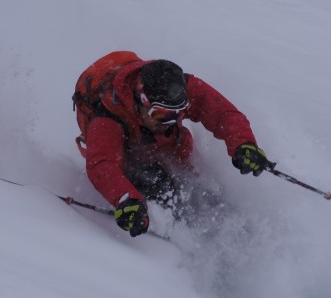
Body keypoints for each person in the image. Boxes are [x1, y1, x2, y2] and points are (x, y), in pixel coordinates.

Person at [82, 56, 270, 237]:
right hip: (133, 162)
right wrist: (127, 199)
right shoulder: (108, 118)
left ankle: (238, 232)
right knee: (162, 186)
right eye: (161, 115)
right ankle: (180, 232)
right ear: (141, 102)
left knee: (205, 192)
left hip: (174, 151)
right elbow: (102, 164)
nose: (170, 122)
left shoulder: (180, 88)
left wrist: (244, 144)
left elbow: (223, 113)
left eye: (178, 114)